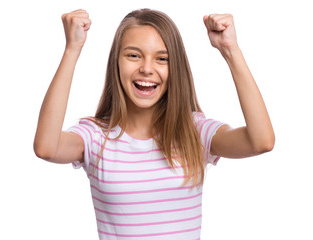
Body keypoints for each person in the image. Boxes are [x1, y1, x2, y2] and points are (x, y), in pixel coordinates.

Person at [34, 8, 275, 240]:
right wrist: (72, 50)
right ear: (116, 62)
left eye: (162, 59)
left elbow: (261, 141)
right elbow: (46, 147)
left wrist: (230, 50)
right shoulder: (96, 136)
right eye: (133, 55)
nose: (147, 69)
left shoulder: (194, 131)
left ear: (175, 68)